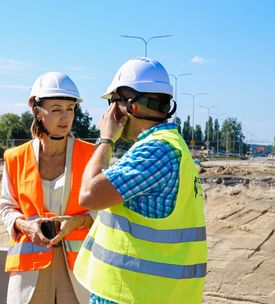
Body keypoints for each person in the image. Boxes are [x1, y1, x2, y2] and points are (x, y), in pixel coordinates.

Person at [73, 57, 207, 304]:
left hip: (130, 294)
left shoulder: (155, 151)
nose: (108, 113)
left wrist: (106, 139)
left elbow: (89, 195)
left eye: (113, 102)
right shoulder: (173, 147)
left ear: (130, 105)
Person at [0, 72, 95, 304]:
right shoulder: (15, 157)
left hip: (78, 270)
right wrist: (25, 225)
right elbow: (7, 207)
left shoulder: (91, 155)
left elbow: (105, 212)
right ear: (37, 111)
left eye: (70, 109)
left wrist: (78, 222)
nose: (65, 117)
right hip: (30, 271)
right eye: (56, 109)